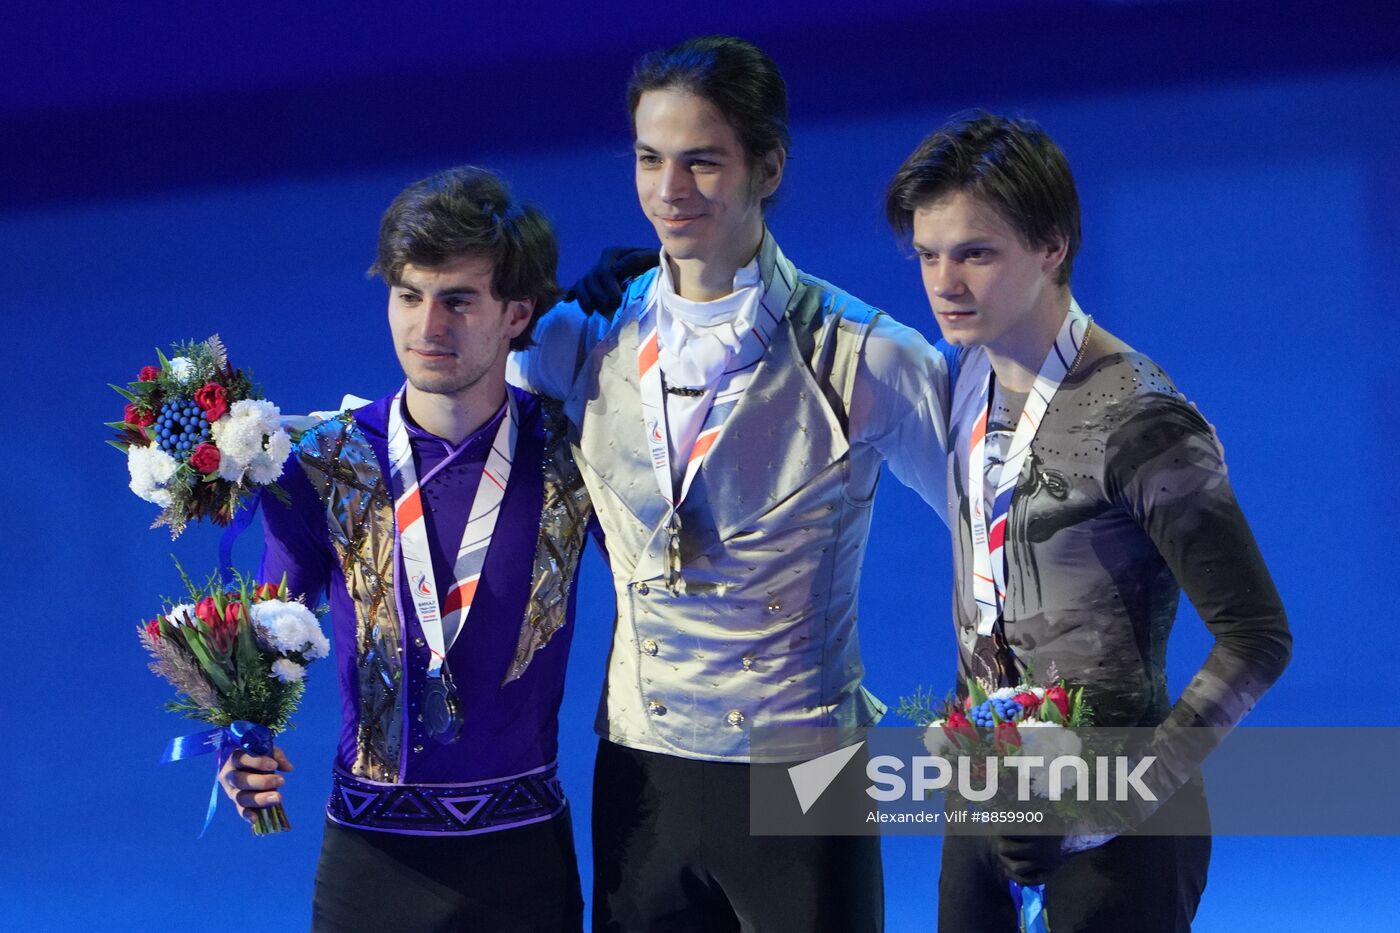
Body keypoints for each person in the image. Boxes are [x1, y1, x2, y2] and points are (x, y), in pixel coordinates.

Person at [509, 35, 951, 933]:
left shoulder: (871, 355)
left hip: (805, 760)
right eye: (650, 159)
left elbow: (996, 537)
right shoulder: (580, 337)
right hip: (640, 762)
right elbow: (438, 428)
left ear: (770, 165)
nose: (670, 192)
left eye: (703, 162)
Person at [883, 112, 1292, 931]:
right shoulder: (967, 374)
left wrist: (1110, 807)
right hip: (990, 812)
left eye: (975, 252)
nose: (943, 282)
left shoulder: (1142, 419)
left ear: (1052, 246)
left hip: (1123, 830)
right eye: (928, 254)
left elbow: (1257, 637)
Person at [220, 166, 593, 932]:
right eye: (409, 295)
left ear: (516, 312)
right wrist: (243, 734)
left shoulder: (574, 451)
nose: (427, 328)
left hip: (525, 859)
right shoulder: (321, 462)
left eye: (458, 300)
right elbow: (274, 622)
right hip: (371, 864)